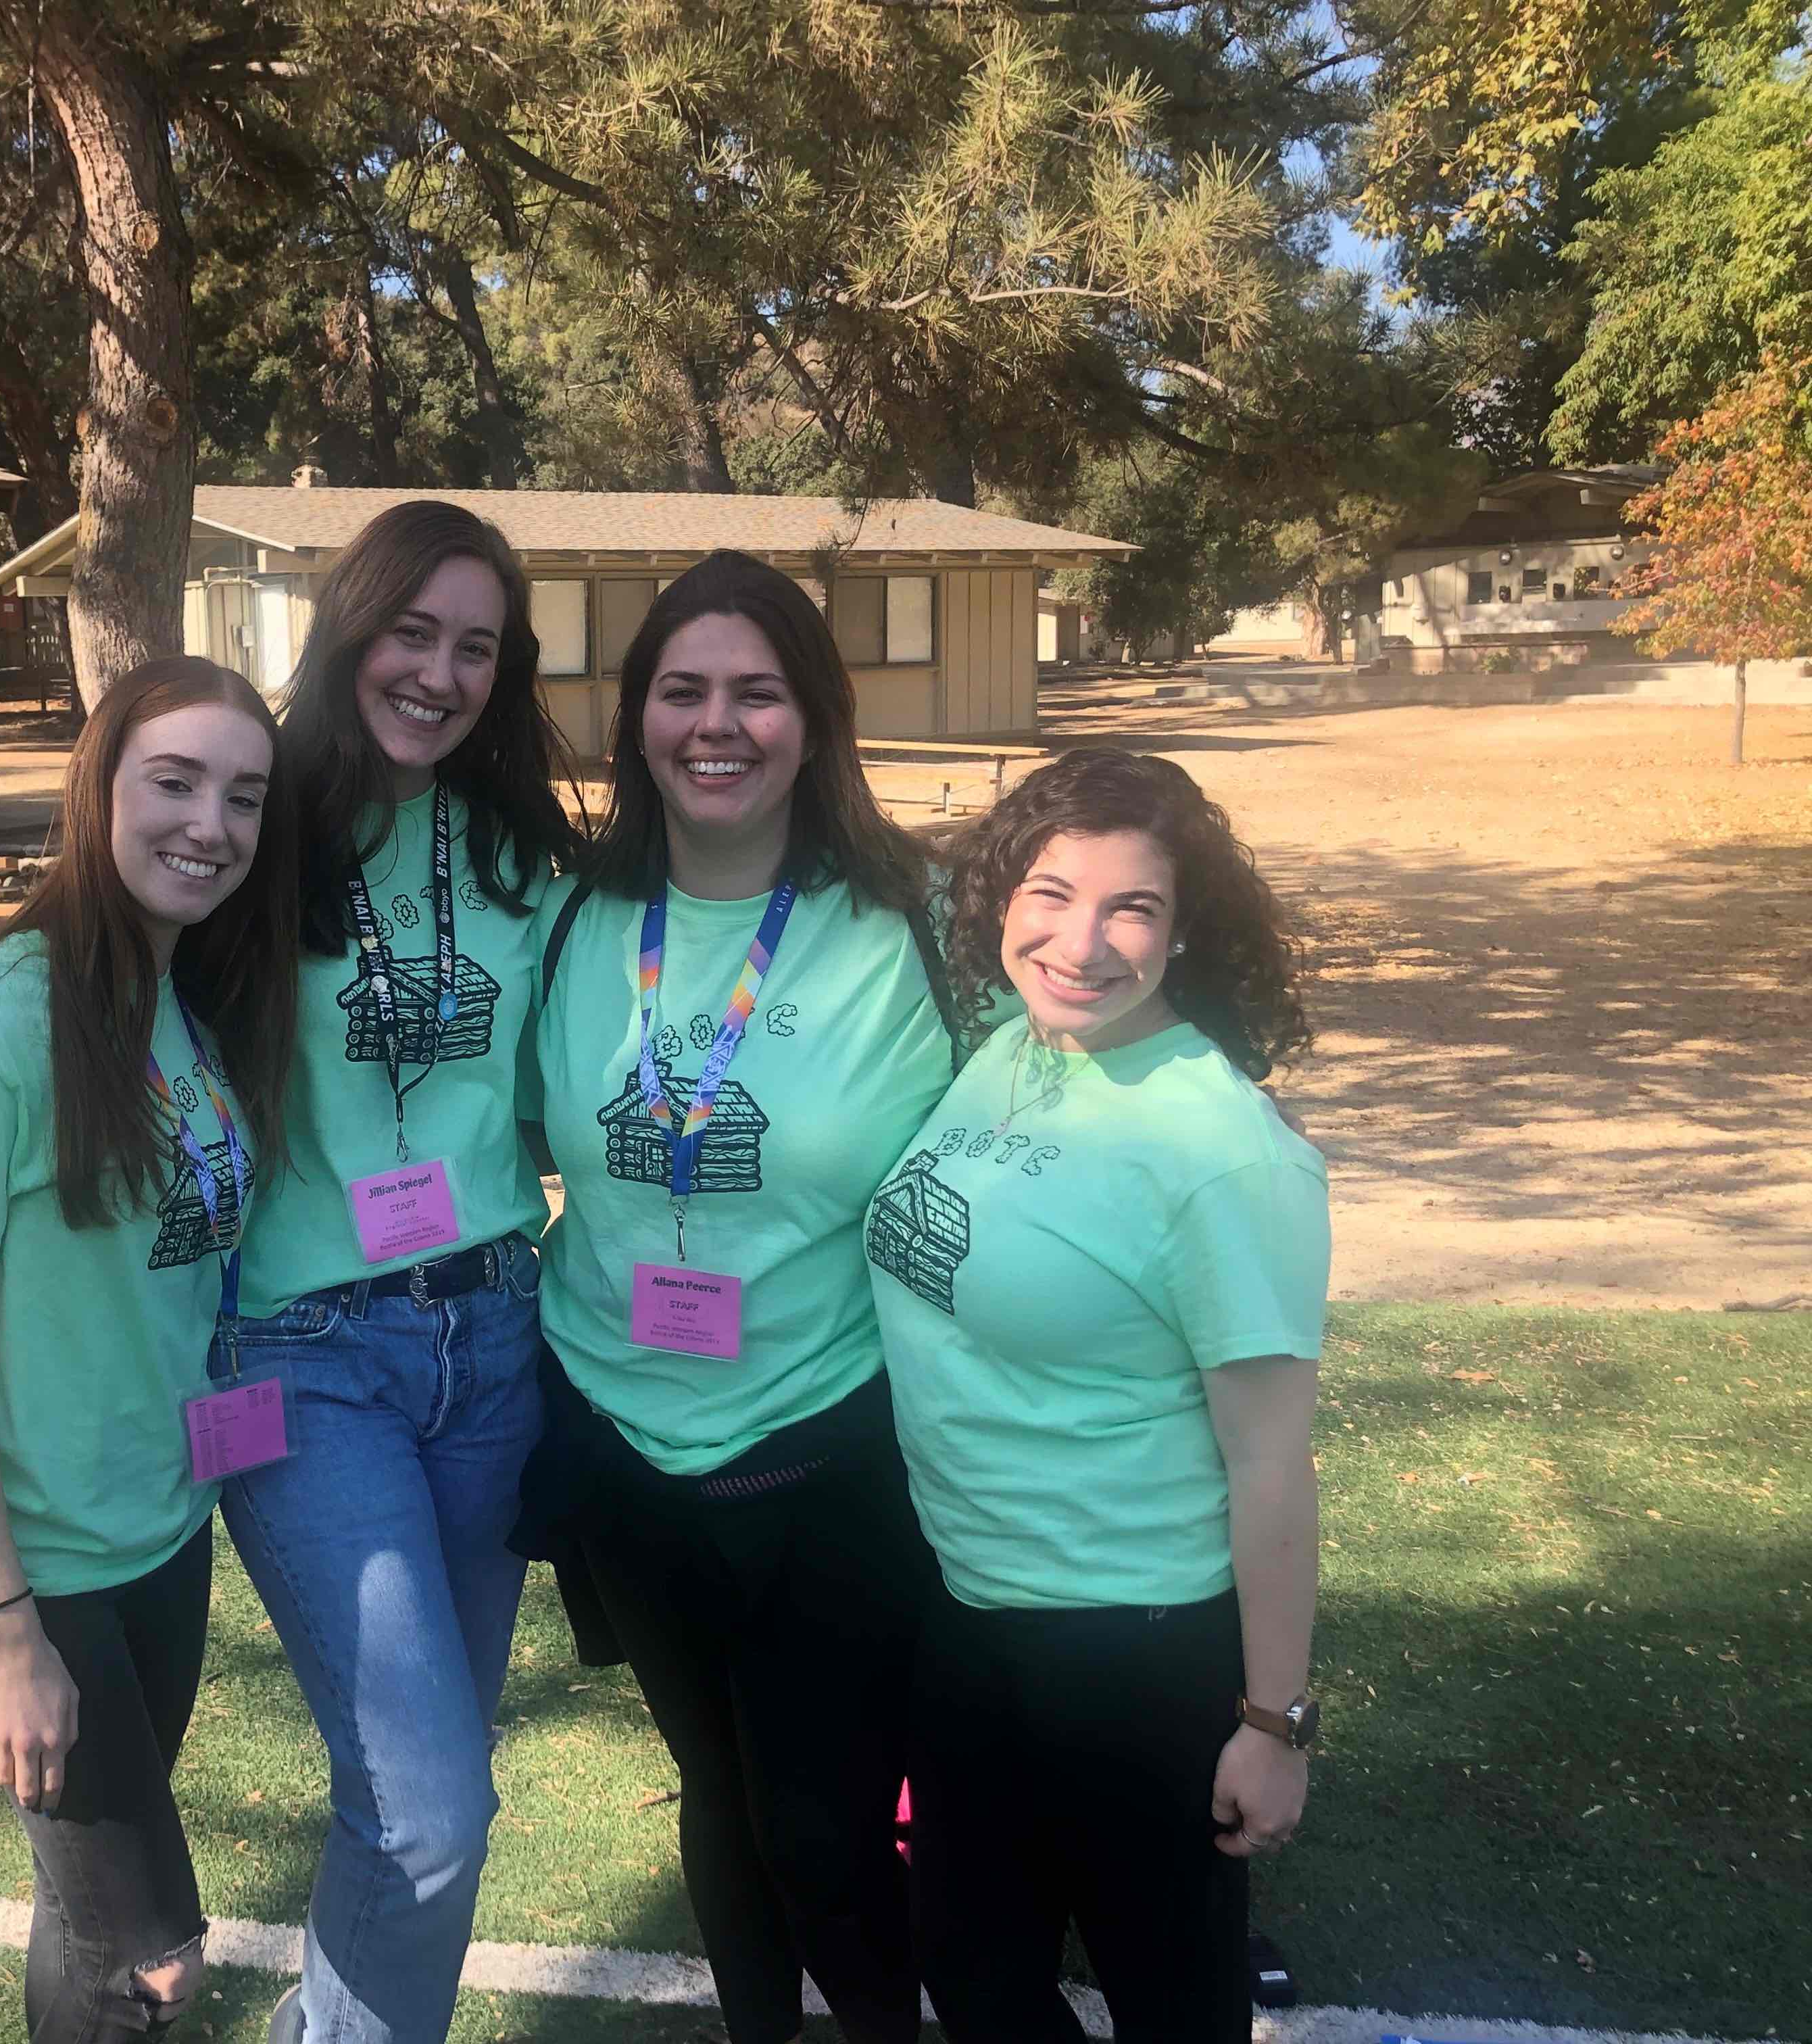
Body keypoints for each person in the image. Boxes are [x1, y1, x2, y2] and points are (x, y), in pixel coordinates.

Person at [520, 550, 958, 2044]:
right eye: (683, 690)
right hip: (626, 1452)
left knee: (826, 1826)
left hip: (831, 1450)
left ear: (817, 719)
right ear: (638, 716)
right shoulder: (574, 926)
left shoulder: (920, 923)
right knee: (719, 1795)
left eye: (758, 692)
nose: (720, 724)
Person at [866, 746, 1327, 2044]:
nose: (1084, 941)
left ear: (1185, 935)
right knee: (972, 1977)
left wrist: (1273, 1725)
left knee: (1172, 2006)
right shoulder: (1016, 1046)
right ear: (1001, 898)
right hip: (972, 1619)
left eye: (1135, 908)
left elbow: (1272, 1465)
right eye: (1052, 893)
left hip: (1138, 1651)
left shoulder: (1221, 1151)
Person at [0, 656, 299, 2043]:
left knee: (89, 1925)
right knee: (155, 1958)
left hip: (160, 1535)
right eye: (173, 781)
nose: (210, 824)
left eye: (243, 795)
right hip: (32, 1565)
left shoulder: (184, 1004)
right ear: (99, 787)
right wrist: (5, 1637)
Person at [224, 500, 584, 2044]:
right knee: (430, 1809)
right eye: (412, 632)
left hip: (493, 1343)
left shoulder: (522, 857)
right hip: (301, 1360)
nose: (438, 673)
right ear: (349, 628)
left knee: (414, 1803)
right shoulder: (256, 833)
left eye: (477, 648)